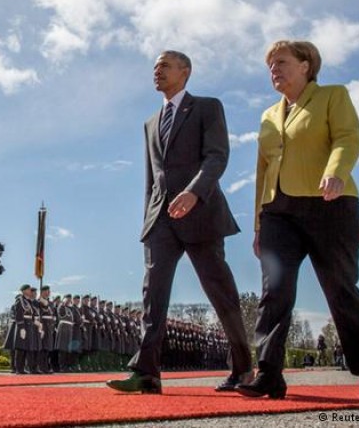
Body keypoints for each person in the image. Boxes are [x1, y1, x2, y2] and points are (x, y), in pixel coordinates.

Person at [237, 40, 359, 400]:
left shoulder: (333, 96)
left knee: (341, 289)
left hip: (330, 204)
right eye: (270, 65)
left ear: (306, 65)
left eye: (282, 62)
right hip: (278, 212)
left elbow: (348, 137)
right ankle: (269, 373)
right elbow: (262, 170)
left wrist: (336, 172)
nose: (274, 70)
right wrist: (258, 223)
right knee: (275, 291)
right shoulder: (268, 115)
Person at [107, 50, 252, 395]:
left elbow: (217, 156)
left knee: (221, 293)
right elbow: (152, 178)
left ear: (185, 71)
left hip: (200, 212)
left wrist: (193, 193)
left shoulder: (207, 107)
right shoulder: (150, 122)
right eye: (155, 67)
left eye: (164, 66)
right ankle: (146, 372)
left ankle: (243, 368)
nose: (157, 71)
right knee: (153, 295)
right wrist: (148, 222)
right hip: (161, 220)